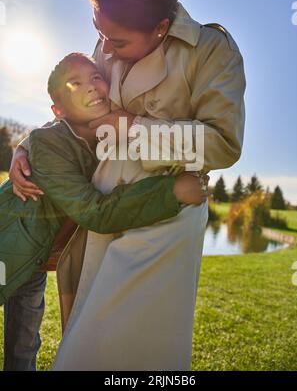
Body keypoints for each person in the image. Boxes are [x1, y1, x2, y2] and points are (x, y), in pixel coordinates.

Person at [10, 0, 245, 370]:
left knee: (137, 351)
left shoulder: (212, 48)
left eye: (116, 41)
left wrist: (134, 128)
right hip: (99, 209)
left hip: (165, 215)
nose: (104, 48)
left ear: (161, 27)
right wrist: (29, 145)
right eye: (97, 32)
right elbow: (73, 110)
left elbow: (223, 144)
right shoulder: (108, 43)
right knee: (82, 343)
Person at [1, 52, 207, 371]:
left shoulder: (105, 137)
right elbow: (94, 212)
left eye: (96, 77)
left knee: (24, 342)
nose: (91, 87)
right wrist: (172, 191)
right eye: (76, 83)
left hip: (38, 257)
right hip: (8, 247)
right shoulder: (49, 142)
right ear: (58, 110)